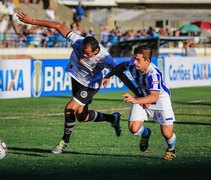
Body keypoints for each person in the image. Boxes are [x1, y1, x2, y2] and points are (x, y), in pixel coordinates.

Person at [16, 12, 137, 154]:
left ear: (96, 51)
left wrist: (136, 92)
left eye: (87, 54)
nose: (83, 55)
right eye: (82, 52)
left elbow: (120, 73)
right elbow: (57, 25)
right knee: (82, 117)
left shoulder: (105, 58)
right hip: (76, 79)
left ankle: (64, 142)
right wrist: (32, 20)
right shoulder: (78, 41)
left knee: (69, 109)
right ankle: (113, 118)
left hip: (90, 85)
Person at [101, 45, 177, 160]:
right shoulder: (132, 64)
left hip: (160, 99)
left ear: (147, 61)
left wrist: (136, 100)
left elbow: (154, 97)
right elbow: (120, 66)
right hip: (142, 95)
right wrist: (108, 76)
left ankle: (171, 150)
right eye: (134, 58)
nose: (134, 62)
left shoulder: (154, 74)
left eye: (138, 60)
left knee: (167, 133)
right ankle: (146, 133)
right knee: (133, 128)